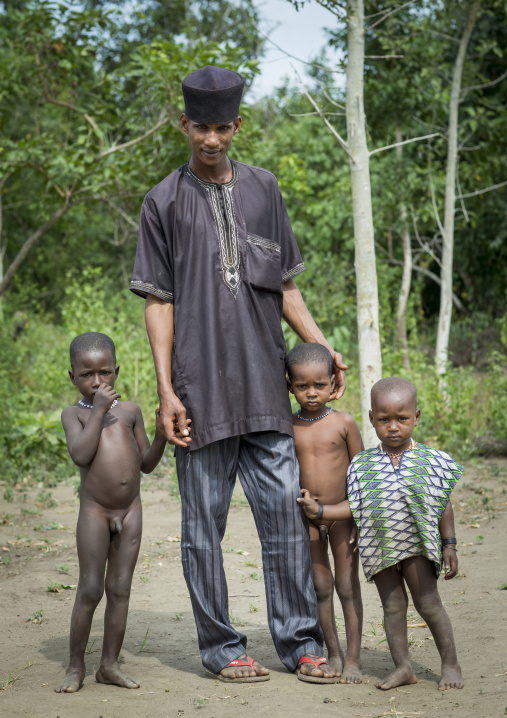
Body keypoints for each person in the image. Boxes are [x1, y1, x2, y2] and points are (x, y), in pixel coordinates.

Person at [130, 65, 348, 683]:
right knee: (203, 532)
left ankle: (301, 643)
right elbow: (159, 302)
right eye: (201, 126)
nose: (212, 139)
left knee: (284, 518)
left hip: (264, 390)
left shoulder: (264, 190)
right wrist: (168, 389)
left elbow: (283, 285)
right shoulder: (162, 202)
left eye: (223, 127)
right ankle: (223, 649)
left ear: (237, 126)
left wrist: (321, 345)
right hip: (198, 396)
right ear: (184, 124)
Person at [297, 376, 464, 692]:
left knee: (428, 604)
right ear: (371, 418)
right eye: (384, 419)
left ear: (416, 417)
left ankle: (450, 664)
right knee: (392, 607)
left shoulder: (430, 460)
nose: (393, 427)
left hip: (417, 545)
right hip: (381, 548)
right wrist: (320, 513)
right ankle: (403, 668)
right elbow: (354, 506)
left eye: (402, 419)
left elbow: (443, 503)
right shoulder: (362, 464)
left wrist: (449, 543)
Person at [55, 332, 166, 693]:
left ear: (116, 371)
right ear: (72, 376)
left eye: (104, 373)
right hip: (96, 512)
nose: (97, 382)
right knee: (90, 588)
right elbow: (80, 455)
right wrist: (99, 409)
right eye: (87, 375)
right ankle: (75, 667)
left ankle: (109, 665)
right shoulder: (73, 414)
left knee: (119, 588)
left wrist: (163, 434)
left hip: (130, 511)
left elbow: (146, 464)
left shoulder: (131, 412)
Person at [289, 343, 364, 683]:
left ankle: (353, 659)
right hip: (309, 520)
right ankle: (331, 653)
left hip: (344, 517)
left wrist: (362, 518)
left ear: (333, 384)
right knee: (321, 587)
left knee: (347, 587)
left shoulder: (343, 423)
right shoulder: (289, 426)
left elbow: (362, 477)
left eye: (320, 385)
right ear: (289, 385)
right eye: (302, 385)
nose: (311, 392)